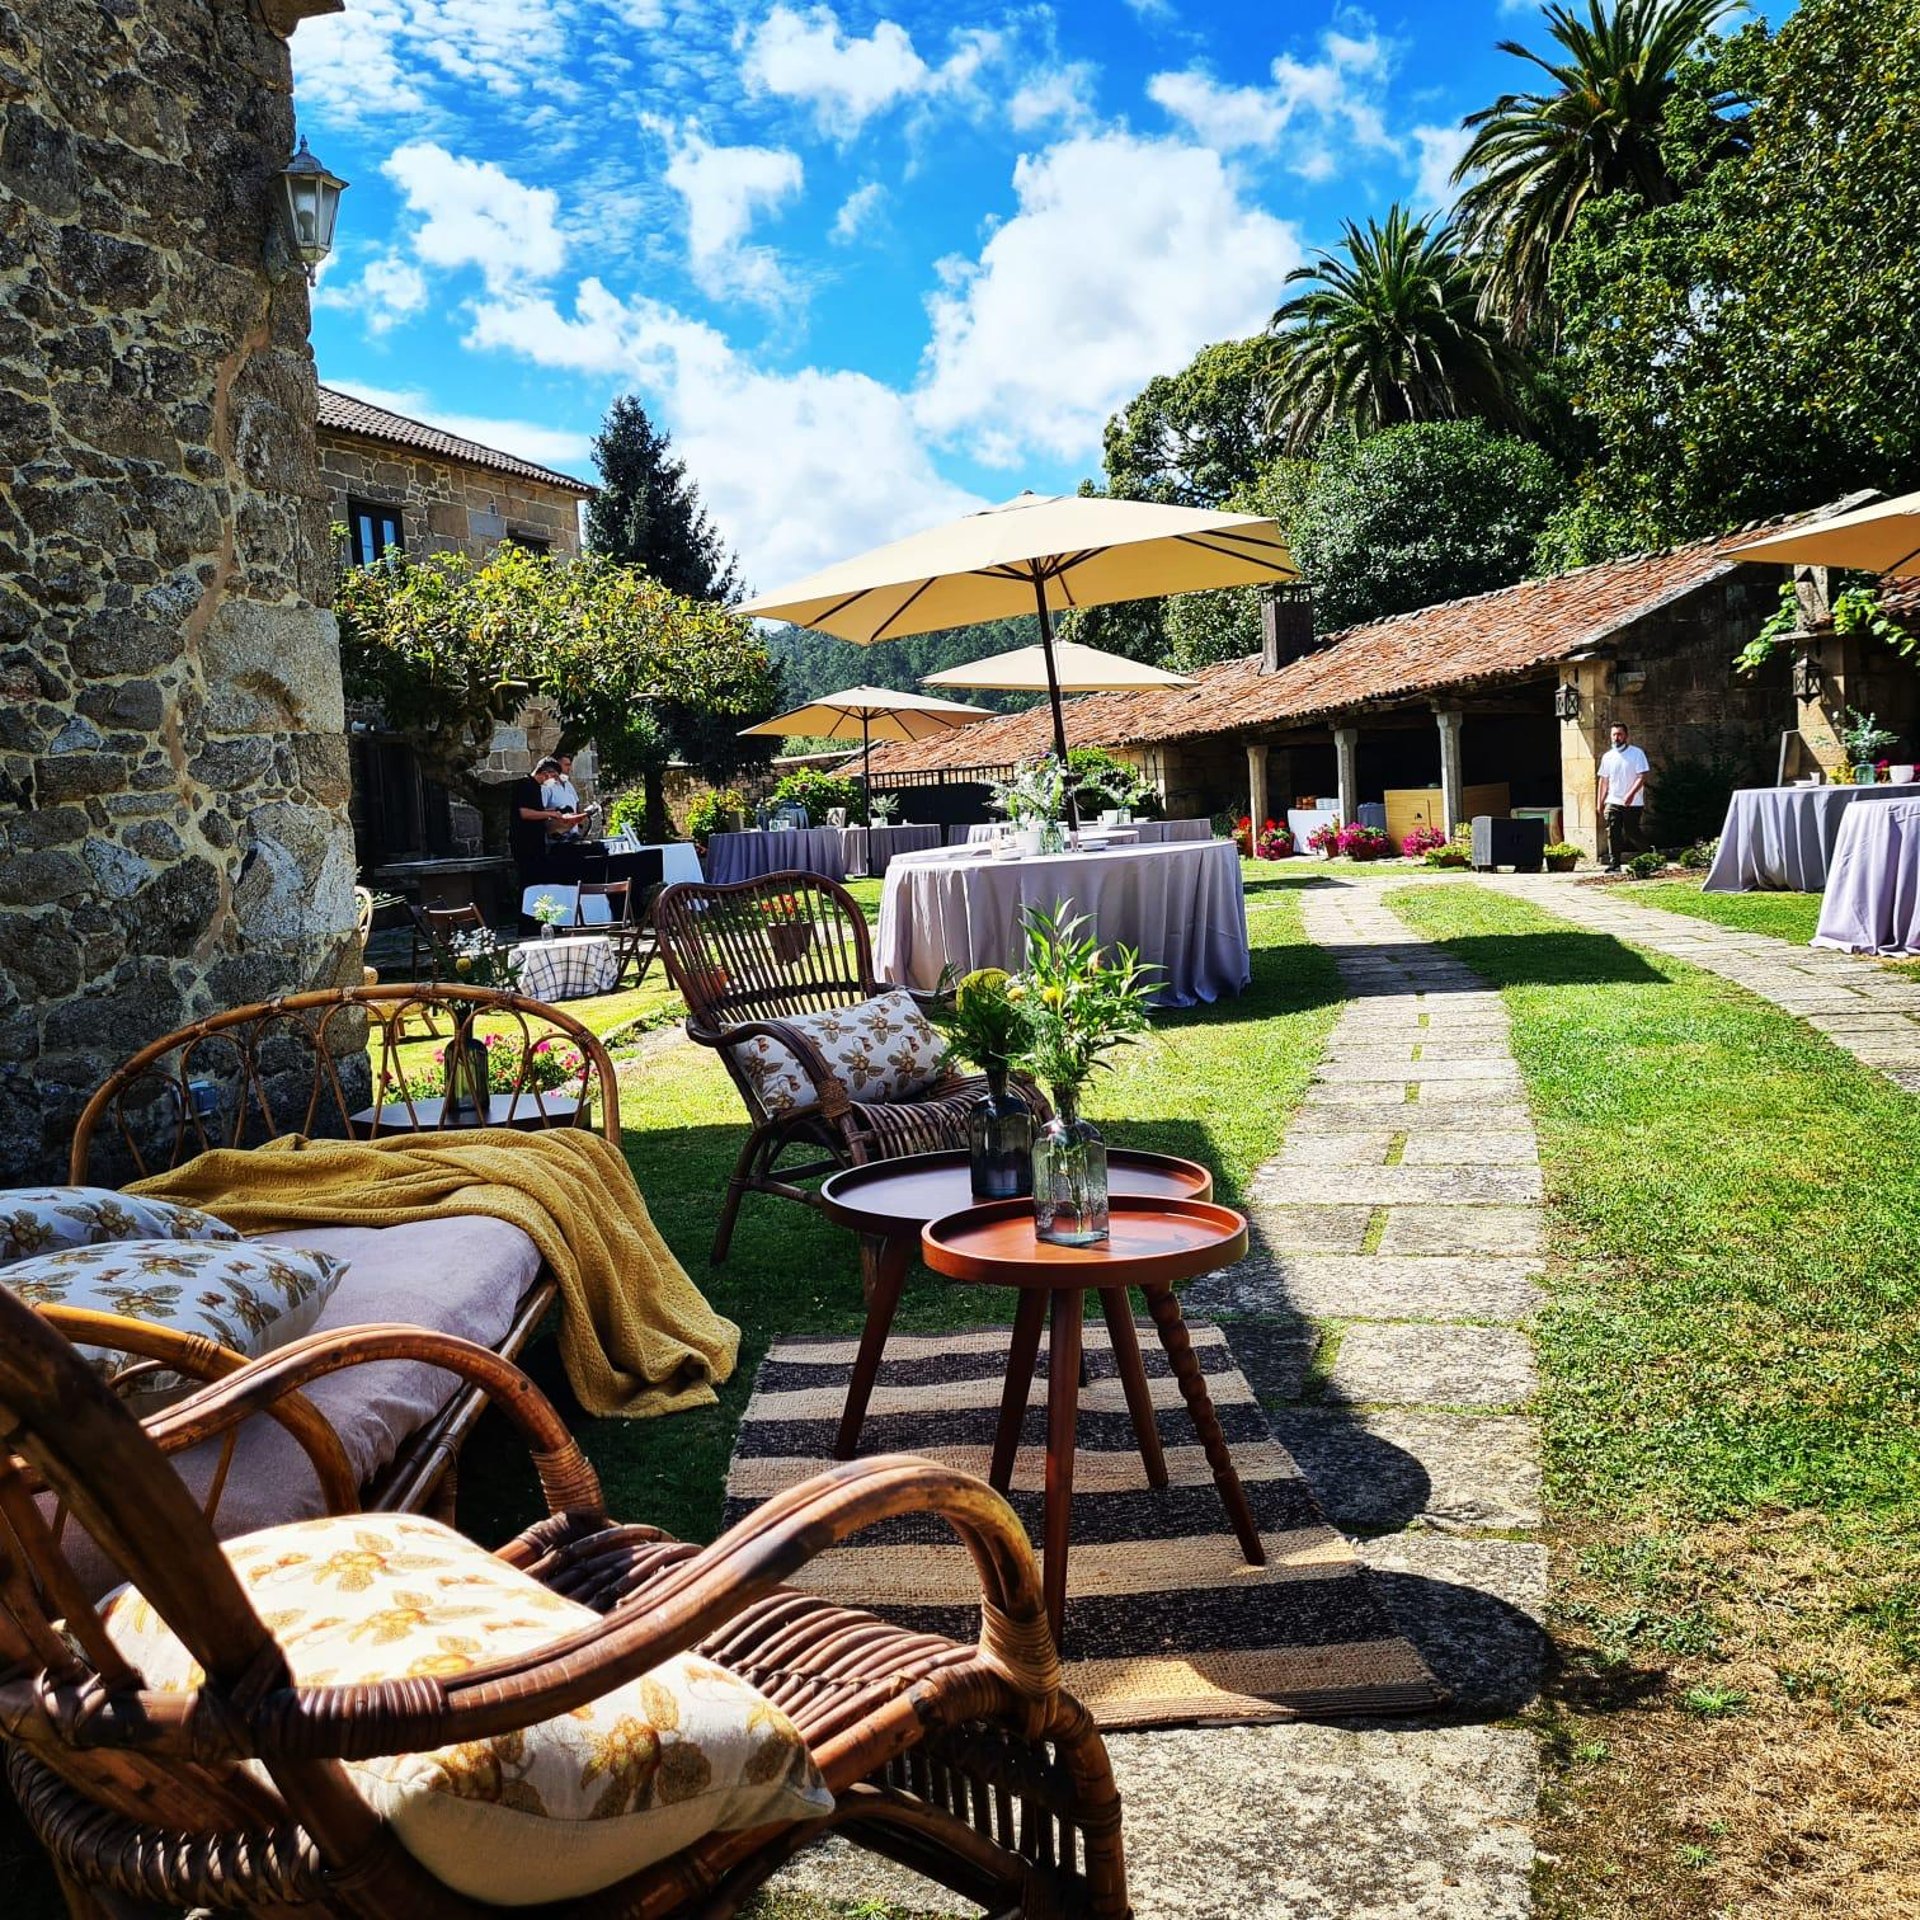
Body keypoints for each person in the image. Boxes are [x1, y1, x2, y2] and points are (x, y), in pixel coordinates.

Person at [508, 755, 586, 889]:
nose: (554, 780)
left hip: (537, 841)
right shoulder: (525, 785)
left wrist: (558, 812)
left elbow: (537, 810)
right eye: (554, 776)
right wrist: (550, 814)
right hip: (524, 842)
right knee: (529, 880)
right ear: (546, 773)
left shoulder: (536, 787)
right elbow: (524, 813)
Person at [1597, 723, 1650, 871]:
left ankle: (1649, 853)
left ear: (1626, 736)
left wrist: (1630, 794)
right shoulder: (1608, 757)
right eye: (1614, 734)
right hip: (1613, 800)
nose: (1616, 738)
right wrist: (1599, 802)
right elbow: (1603, 781)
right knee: (1613, 831)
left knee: (1631, 832)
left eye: (1619, 734)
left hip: (1633, 802)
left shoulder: (1636, 753)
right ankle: (1615, 864)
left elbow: (1642, 776)